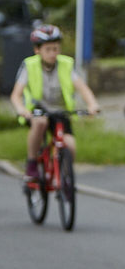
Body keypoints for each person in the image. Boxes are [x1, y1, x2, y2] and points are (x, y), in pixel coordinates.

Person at [10, 24, 100, 180]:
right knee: (40, 123)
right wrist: (21, 109)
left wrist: (92, 104)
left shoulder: (66, 64)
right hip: (38, 110)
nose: (53, 53)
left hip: (60, 111)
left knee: (70, 146)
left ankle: (64, 179)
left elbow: (83, 89)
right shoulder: (29, 65)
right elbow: (15, 95)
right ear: (37, 50)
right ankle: (32, 163)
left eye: (56, 49)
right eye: (48, 49)